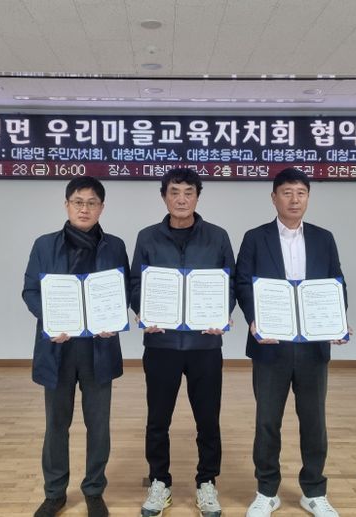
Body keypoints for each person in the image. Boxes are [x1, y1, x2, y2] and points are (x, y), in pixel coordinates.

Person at [235, 168, 348, 517]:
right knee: (267, 421)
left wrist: (337, 320)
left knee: (314, 420)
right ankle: (266, 491)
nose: (294, 199)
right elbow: (242, 283)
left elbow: (336, 282)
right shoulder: (255, 237)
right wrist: (254, 319)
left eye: (301, 192)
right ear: (274, 198)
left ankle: (314, 491)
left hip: (313, 347)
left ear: (308, 197)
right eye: (287, 192)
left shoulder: (323, 238)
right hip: (270, 345)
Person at [130, 168, 236, 517]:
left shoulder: (217, 236)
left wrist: (222, 313)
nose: (181, 199)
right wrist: (144, 311)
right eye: (174, 192)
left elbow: (229, 283)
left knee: (208, 419)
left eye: (188, 192)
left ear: (197, 197)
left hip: (205, 346)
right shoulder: (147, 237)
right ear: (164, 196)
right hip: (161, 344)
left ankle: (207, 482)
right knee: (157, 419)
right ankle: (159, 481)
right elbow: (136, 283)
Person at [22, 176, 130, 517]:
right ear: (67, 205)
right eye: (78, 202)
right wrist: (50, 320)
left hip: (99, 349)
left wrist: (114, 319)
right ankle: (54, 493)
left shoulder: (115, 246)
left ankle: (94, 490)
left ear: (102, 207)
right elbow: (30, 291)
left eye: (92, 203)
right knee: (56, 424)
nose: (85, 208)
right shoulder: (44, 245)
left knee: (98, 426)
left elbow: (123, 291)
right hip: (58, 349)